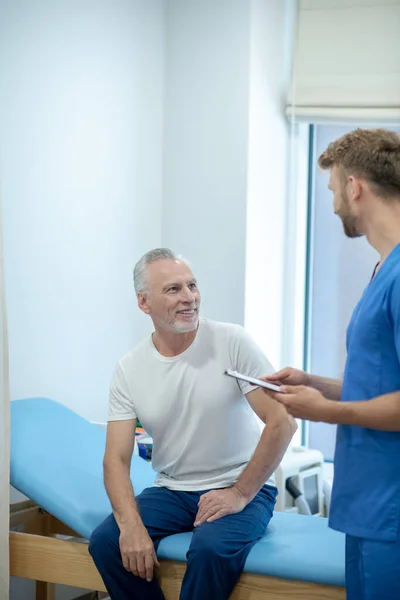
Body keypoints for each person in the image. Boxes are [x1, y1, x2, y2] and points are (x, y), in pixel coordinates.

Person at [89, 248, 296, 600]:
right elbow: (115, 460)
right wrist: (130, 527)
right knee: (107, 542)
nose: (189, 298)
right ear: (144, 302)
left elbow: (282, 422)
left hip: (242, 484)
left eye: (192, 285)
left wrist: (239, 493)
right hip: (173, 490)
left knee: (210, 550)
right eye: (173, 289)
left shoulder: (232, 341)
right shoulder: (129, 369)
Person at [264, 128, 400, 600]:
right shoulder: (383, 268)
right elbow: (379, 382)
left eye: (333, 190)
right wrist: (314, 384)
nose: (335, 203)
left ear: (355, 186)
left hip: (391, 507)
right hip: (367, 500)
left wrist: (324, 411)